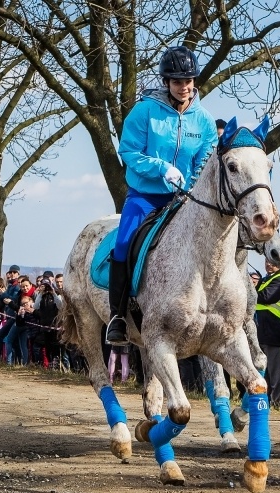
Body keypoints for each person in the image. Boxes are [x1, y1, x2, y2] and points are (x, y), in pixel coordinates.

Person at [106, 45, 218, 344]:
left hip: (183, 200)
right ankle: (117, 315)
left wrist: (191, 186)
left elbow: (205, 160)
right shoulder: (144, 111)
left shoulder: (204, 120)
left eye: (189, 81)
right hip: (145, 195)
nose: (185, 87)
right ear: (167, 82)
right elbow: (128, 151)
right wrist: (160, 168)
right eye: (178, 82)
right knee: (123, 244)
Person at [256, 258, 280, 408]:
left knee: (275, 369)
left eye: (272, 262)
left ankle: (277, 401)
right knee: (263, 369)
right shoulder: (266, 279)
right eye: (266, 261)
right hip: (261, 329)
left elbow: (266, 297)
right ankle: (264, 398)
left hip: (274, 330)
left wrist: (251, 290)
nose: (268, 264)